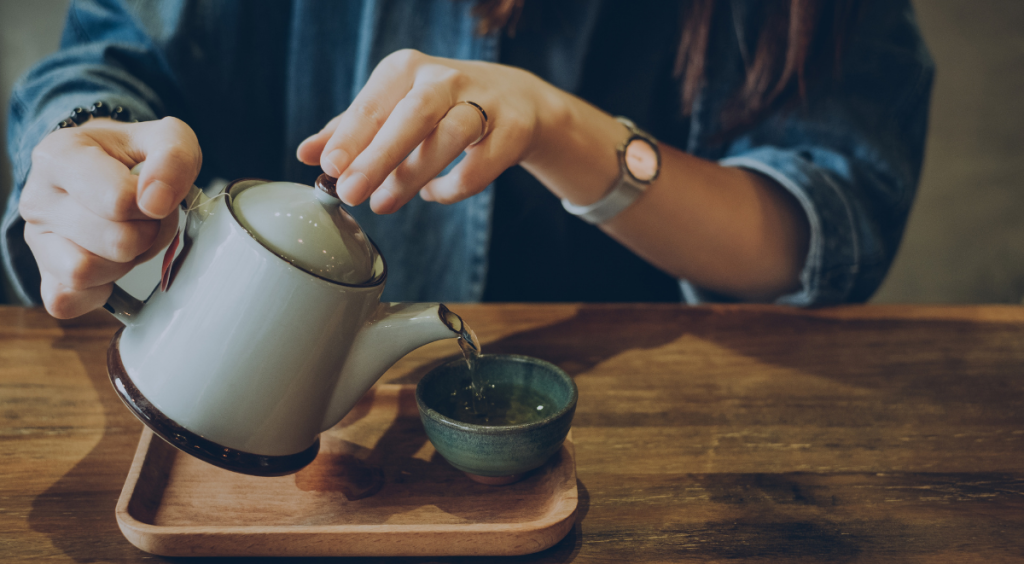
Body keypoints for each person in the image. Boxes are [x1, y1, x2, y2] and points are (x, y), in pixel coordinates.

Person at [2, 0, 933, 317]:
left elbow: (814, 235)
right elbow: (106, 56)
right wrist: (80, 146)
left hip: (628, 460)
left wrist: (565, 128)